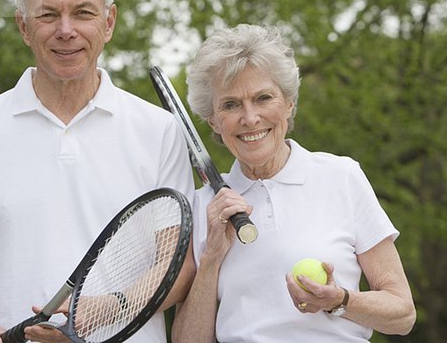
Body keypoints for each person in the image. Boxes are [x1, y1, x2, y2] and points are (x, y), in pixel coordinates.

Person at [0, 0, 195, 343]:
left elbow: (179, 264)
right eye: (48, 15)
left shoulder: (159, 129)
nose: (66, 30)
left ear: (109, 22)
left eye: (83, 12)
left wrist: (99, 313)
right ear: (24, 27)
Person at [171, 24, 416, 342]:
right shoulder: (204, 205)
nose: (250, 118)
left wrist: (340, 300)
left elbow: (403, 314)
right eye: (231, 105)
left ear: (288, 103)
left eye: (263, 98)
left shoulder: (341, 176)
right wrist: (212, 257)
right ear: (213, 120)